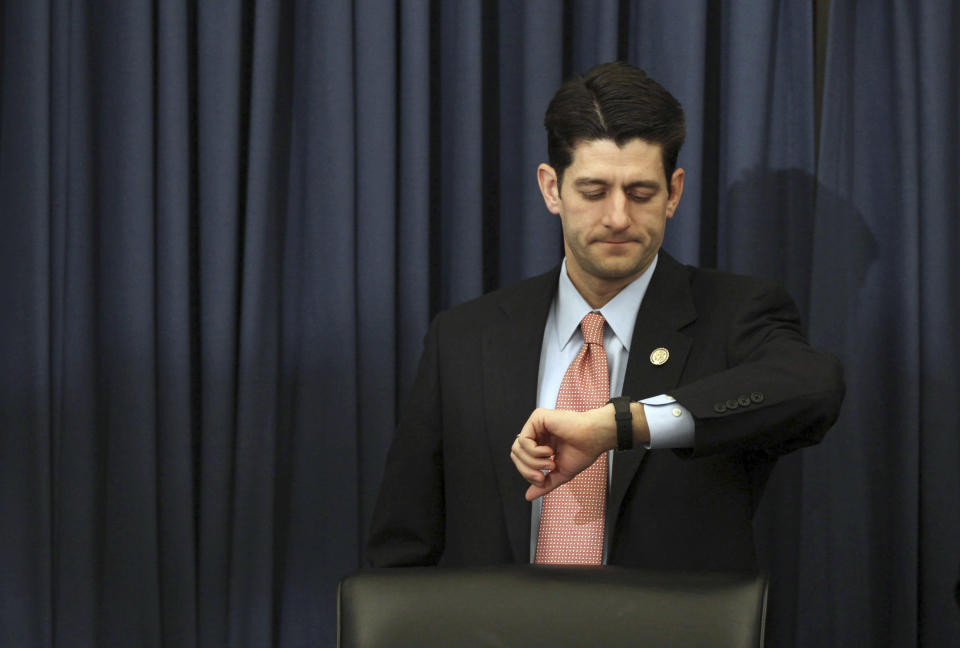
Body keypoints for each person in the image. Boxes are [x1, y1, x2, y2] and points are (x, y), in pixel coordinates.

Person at [367, 61, 844, 570]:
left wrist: (625, 424)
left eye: (641, 193)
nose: (618, 217)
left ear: (674, 193)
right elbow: (403, 550)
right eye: (594, 192)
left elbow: (813, 387)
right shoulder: (463, 337)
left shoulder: (734, 313)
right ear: (552, 189)